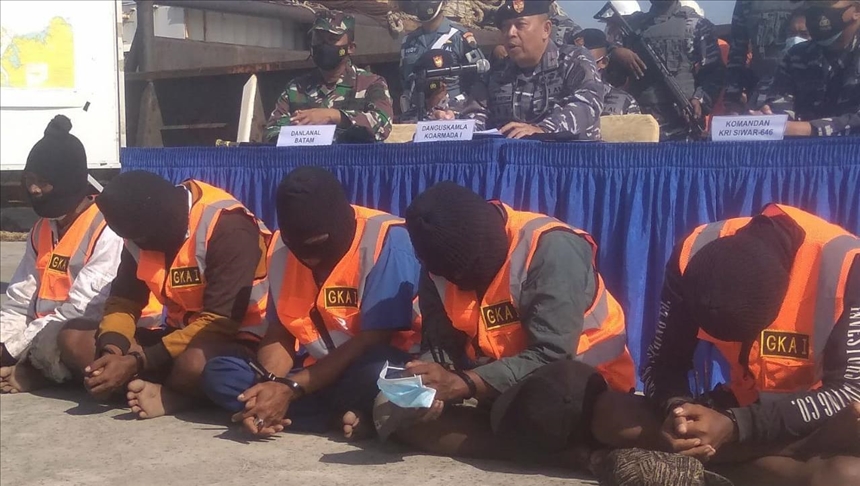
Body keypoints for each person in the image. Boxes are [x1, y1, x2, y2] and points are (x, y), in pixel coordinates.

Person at [373, 182, 645, 464]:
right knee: (389, 409)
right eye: (447, 274)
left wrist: (463, 383)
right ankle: (560, 455)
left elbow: (553, 353)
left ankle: (522, 438)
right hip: (494, 386)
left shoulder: (551, 248)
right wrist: (427, 385)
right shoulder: (437, 268)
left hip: (583, 386)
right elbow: (440, 346)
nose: (458, 282)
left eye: (466, 271)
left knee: (552, 399)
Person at [642, 203, 860, 485]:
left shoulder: (847, 264)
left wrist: (737, 425)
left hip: (813, 414)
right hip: (741, 407)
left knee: (847, 474)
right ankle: (717, 460)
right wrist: (680, 414)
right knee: (612, 413)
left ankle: (703, 462)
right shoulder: (692, 254)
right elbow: (662, 363)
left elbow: (849, 392)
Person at [201, 167, 421, 440]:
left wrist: (291, 389)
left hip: (371, 362)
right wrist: (271, 387)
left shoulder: (387, 240)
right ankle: (321, 415)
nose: (309, 258)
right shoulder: (280, 249)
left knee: (379, 372)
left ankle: (301, 412)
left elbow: (372, 340)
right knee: (220, 373)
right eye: (297, 246)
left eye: (317, 244)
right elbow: (280, 331)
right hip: (311, 372)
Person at [56, 171, 272, 419]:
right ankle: (146, 386)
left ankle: (171, 395)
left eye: (143, 239)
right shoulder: (137, 231)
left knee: (194, 363)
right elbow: (124, 301)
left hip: (233, 340)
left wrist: (138, 361)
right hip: (174, 339)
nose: (140, 245)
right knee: (74, 338)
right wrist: (112, 352)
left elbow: (220, 322)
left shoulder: (228, 226)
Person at [0, 116, 158, 394]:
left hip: (117, 329)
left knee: (69, 339)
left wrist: (13, 350)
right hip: (46, 330)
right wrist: (4, 341)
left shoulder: (108, 227)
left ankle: (39, 372)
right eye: (29, 180)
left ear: (67, 182)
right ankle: (38, 367)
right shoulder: (41, 229)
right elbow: (19, 300)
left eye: (43, 182)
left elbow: (84, 308)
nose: (34, 189)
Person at [463, 0, 606, 140]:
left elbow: (587, 104)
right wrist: (458, 126)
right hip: (507, 152)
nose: (510, 33)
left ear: (546, 29)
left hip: (568, 152)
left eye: (520, 25)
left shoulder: (574, 60)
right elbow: (475, 113)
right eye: (505, 27)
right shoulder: (496, 71)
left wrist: (544, 129)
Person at [263, 11, 393, 143]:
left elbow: (382, 125)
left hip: (352, 156)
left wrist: (334, 116)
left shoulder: (370, 84)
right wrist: (300, 129)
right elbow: (271, 132)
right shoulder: (296, 88)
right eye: (318, 39)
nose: (324, 45)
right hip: (307, 155)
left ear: (350, 47)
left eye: (332, 39)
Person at [608, 0, 725, 140]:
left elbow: (714, 72)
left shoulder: (696, 25)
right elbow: (608, 74)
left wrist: (699, 100)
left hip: (683, 122)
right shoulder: (631, 25)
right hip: (640, 122)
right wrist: (616, 54)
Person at [752, 0, 860, 137]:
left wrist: (808, 129)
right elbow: (780, 107)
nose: (816, 11)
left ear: (856, 11)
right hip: (801, 149)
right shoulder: (796, 56)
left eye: (826, 4)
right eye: (811, 5)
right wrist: (769, 119)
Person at [398, 1, 486, 120]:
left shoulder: (460, 37)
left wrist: (466, 109)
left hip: (453, 114)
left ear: (444, 3)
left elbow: (481, 76)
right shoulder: (408, 41)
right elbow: (405, 82)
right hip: (418, 114)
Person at [724, 1, 807, 113]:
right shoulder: (747, 3)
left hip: (814, 96)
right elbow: (737, 52)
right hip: (765, 100)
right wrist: (732, 98)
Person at [573, 28, 641, 116]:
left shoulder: (624, 103)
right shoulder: (558, 94)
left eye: (586, 63)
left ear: (603, 62)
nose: (576, 68)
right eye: (571, 62)